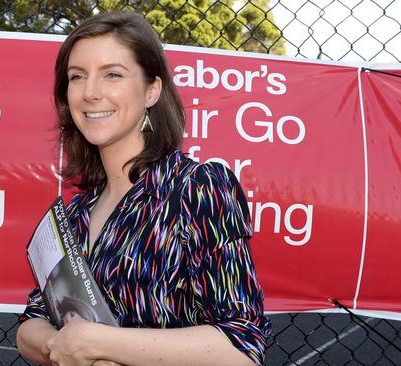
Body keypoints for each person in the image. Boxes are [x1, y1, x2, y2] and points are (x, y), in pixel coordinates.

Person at [16, 11, 271, 366]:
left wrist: (100, 344)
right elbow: (31, 323)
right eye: (77, 77)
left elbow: (241, 346)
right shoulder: (74, 213)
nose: (90, 92)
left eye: (113, 75)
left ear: (152, 89)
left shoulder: (196, 188)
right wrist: (64, 347)